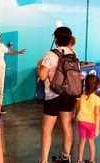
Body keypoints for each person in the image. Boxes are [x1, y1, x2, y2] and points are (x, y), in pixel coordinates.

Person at [37, 27, 77, 163]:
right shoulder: (72, 54)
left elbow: (42, 76)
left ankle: (43, 161)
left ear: (55, 39)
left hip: (53, 95)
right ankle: (66, 156)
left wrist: (39, 66)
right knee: (67, 126)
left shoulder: (51, 54)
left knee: (47, 129)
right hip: (69, 95)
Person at [75, 74, 100, 163]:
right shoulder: (97, 99)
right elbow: (97, 114)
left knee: (82, 140)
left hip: (82, 122)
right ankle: (91, 160)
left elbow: (76, 106)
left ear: (85, 84)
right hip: (91, 123)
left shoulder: (82, 96)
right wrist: (97, 128)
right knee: (91, 142)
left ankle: (80, 160)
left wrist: (77, 99)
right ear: (97, 85)